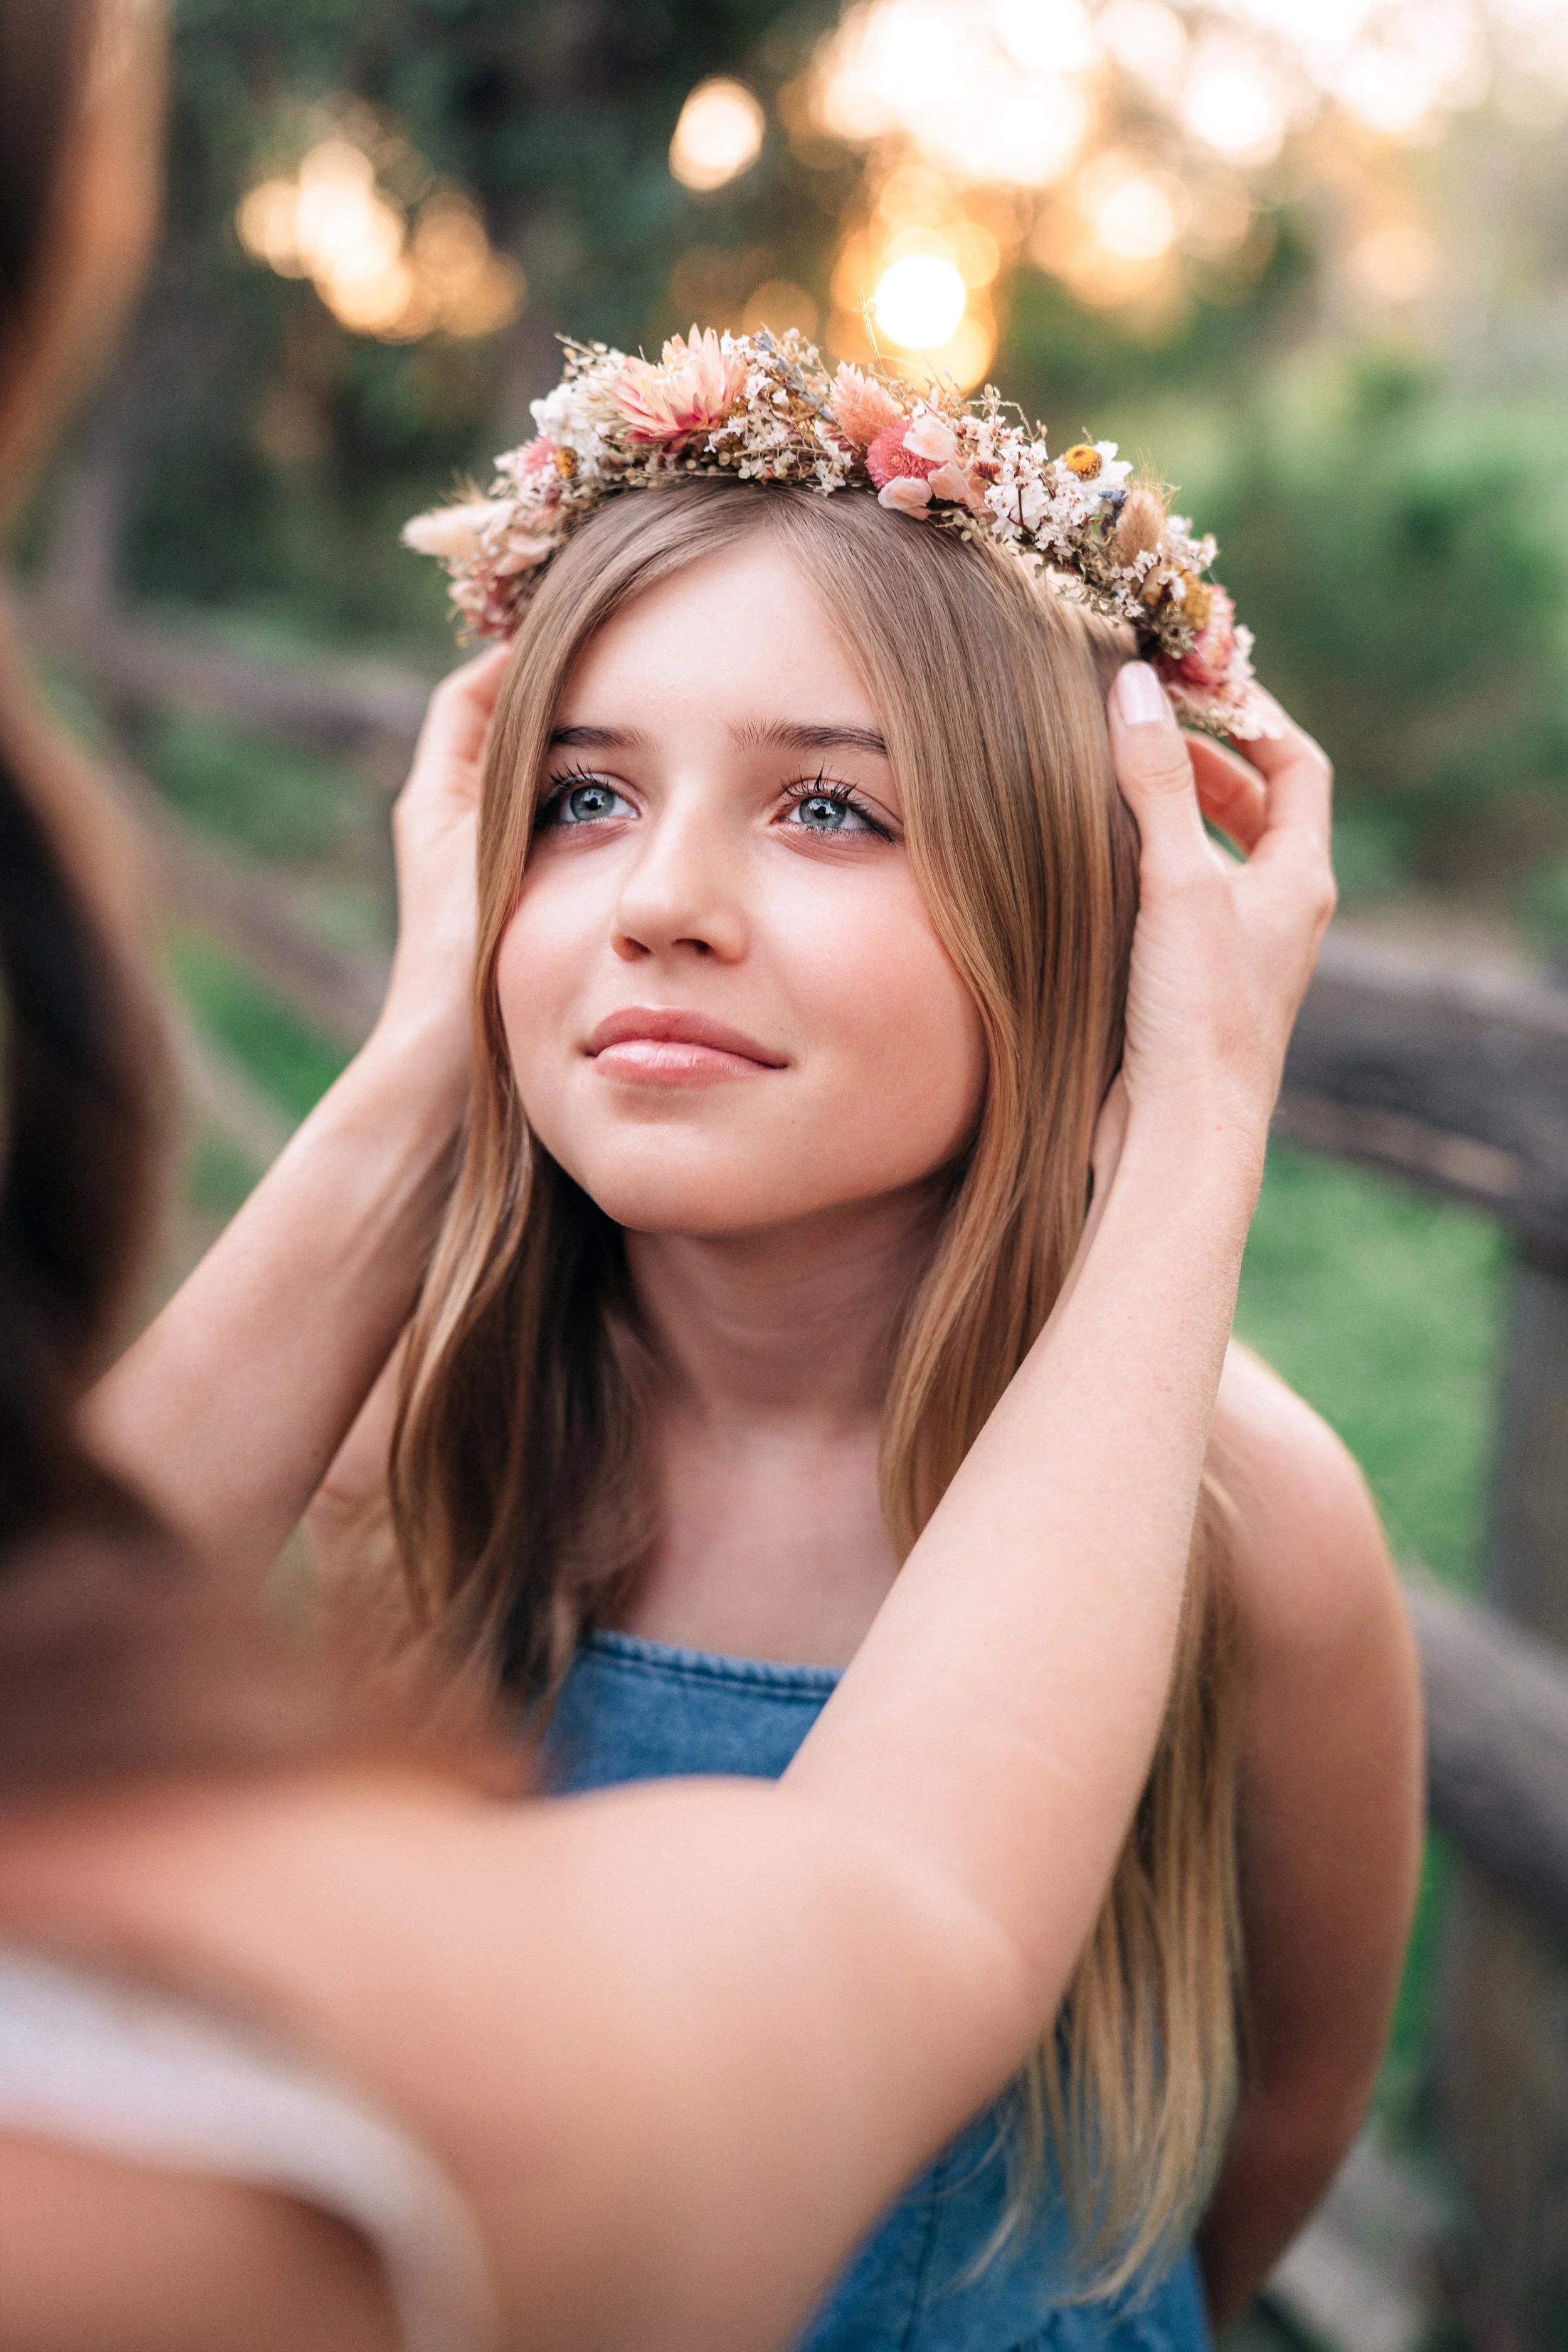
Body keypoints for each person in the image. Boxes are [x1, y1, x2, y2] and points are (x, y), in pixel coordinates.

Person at [0, 3, 1378, 2348]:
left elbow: (1269, 2140)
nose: (658, 898)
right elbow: (905, 1910)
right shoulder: (401, 1457)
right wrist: (441, 1051)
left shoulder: (1247, 1524)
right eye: (580, 796)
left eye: (830, 803)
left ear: (1080, 909)